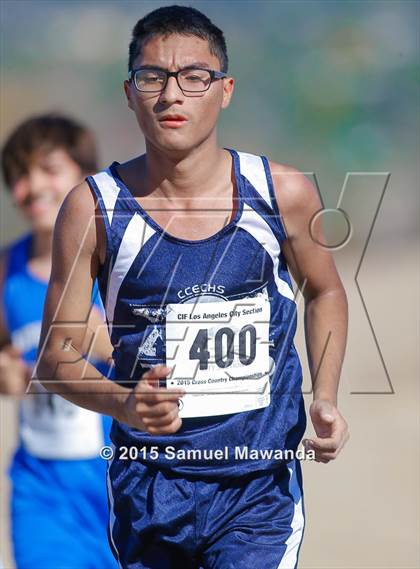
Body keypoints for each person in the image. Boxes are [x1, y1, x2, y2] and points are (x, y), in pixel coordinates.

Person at [36, 6, 349, 569]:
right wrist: (127, 404)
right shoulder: (94, 208)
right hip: (147, 487)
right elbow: (56, 359)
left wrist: (324, 397)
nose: (171, 94)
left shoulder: (282, 193)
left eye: (194, 77)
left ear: (224, 89)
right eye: (152, 77)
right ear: (129, 93)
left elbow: (325, 292)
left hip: (258, 488)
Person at [0, 114, 117, 569]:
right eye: (18, 176)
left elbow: (170, 353)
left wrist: (106, 342)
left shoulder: (122, 262)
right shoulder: (5, 272)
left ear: (87, 177)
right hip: (43, 491)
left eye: (48, 169)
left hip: (123, 478)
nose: (32, 187)